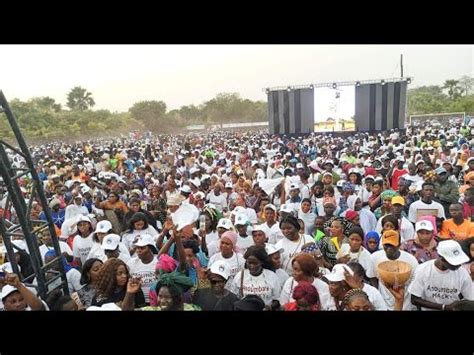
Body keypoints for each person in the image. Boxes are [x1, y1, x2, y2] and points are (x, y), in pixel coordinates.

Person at [408, 240, 473, 310]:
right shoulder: (423, 270)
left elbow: (470, 298)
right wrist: (444, 307)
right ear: (441, 258)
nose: (458, 265)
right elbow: (414, 299)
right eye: (454, 262)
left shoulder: (463, 273)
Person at [371, 230, 419, 310]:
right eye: (386, 245)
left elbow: (414, 285)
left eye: (392, 245)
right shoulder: (375, 258)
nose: (389, 248)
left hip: (405, 306)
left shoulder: (411, 261)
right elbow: (373, 278)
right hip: (383, 305)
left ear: (399, 245)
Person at [122, 271, 200, 311]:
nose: (162, 301)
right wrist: (130, 293)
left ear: (178, 297)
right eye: (160, 296)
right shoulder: (155, 309)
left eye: (167, 297)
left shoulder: (191, 309)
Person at [126, 233, 158, 305]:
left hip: (156, 302)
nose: (138, 250)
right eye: (137, 248)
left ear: (150, 248)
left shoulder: (158, 262)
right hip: (138, 303)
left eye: (142, 248)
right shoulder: (131, 263)